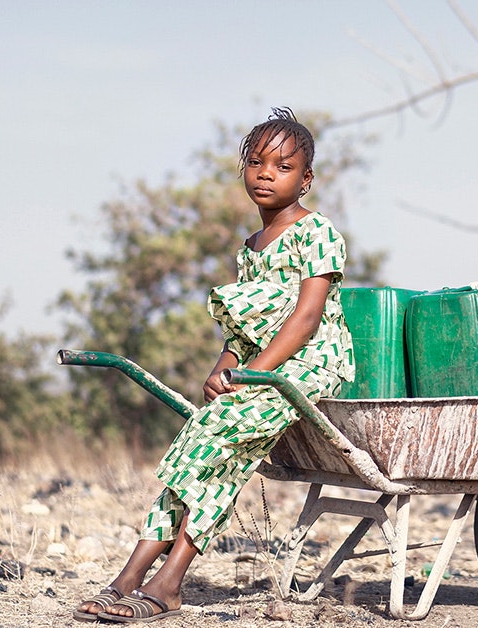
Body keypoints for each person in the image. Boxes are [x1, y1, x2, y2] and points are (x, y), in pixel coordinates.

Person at [74, 107, 355, 623]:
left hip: (310, 363)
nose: (266, 174)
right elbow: (241, 331)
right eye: (256, 163)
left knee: (220, 442)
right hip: (260, 366)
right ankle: (131, 576)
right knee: (194, 449)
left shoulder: (317, 232)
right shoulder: (250, 249)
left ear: (306, 179)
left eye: (283, 166)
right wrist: (224, 365)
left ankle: (170, 581)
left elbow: (306, 319)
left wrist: (250, 374)